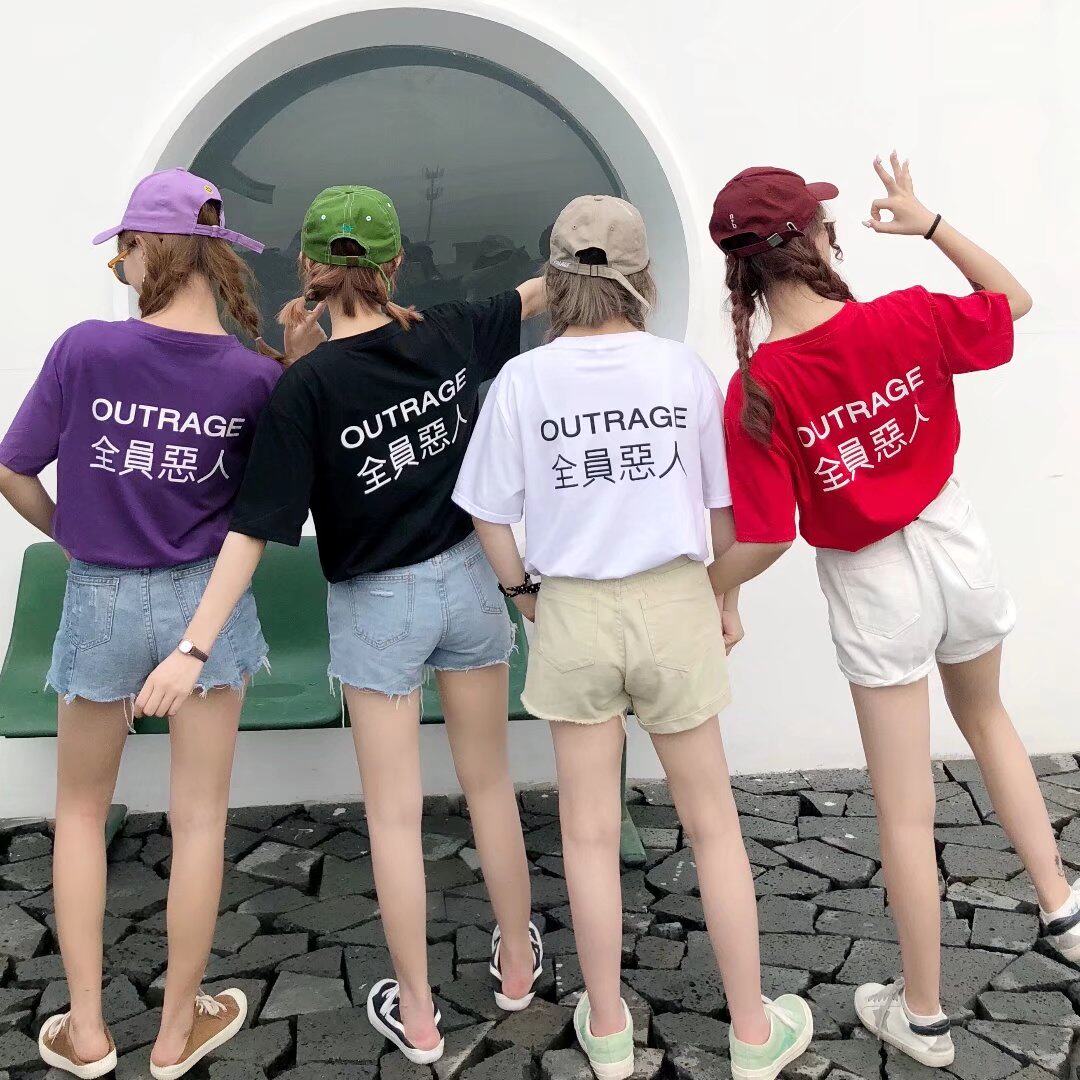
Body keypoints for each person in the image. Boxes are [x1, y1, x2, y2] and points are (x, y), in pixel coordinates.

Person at [133, 185, 549, 1066]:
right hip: (468, 582)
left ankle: (422, 1019)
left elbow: (254, 529)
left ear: (309, 269)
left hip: (378, 605)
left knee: (394, 819)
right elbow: (541, 291)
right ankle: (517, 969)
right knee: (489, 786)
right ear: (395, 262)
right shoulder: (448, 331)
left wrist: (193, 645)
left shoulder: (306, 388)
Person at [707, 156, 1080, 1068]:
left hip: (875, 584)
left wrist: (715, 587)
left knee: (905, 810)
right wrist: (930, 222)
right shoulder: (907, 315)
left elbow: (767, 535)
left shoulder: (757, 386)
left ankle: (924, 1017)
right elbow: (1013, 301)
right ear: (816, 239)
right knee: (989, 720)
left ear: (741, 273)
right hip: (955, 543)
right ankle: (1064, 909)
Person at [454, 194, 814, 1080]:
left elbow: (488, 512)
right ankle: (751, 1032)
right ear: (641, 276)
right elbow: (723, 506)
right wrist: (723, 598)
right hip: (673, 601)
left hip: (572, 608)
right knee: (713, 825)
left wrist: (522, 594)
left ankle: (609, 1030)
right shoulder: (680, 370)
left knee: (586, 834)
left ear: (554, 276)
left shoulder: (523, 381)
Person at [0, 169, 321, 1079]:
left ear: (146, 249)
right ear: (218, 258)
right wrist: (295, 367)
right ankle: (177, 1034)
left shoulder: (84, 349)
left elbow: (13, 470)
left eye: (123, 251)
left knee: (77, 813)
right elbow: (272, 508)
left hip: (100, 597)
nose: (122, 264)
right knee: (201, 821)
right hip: (204, 608)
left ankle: (88, 1030)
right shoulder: (255, 376)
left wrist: (77, 536)